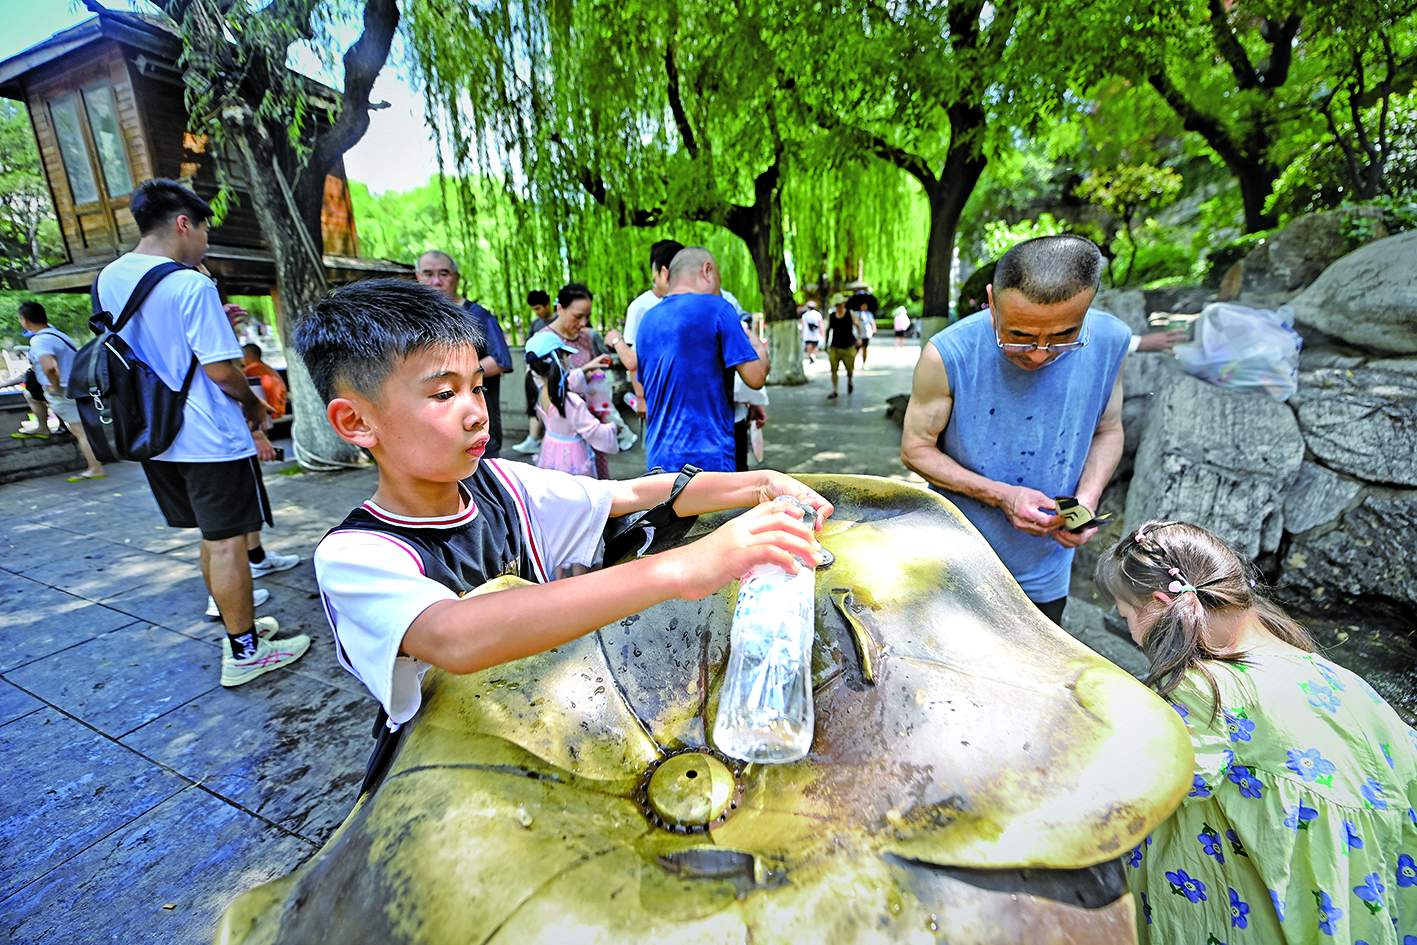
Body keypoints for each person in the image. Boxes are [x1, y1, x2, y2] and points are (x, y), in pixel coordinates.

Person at [296, 278, 831, 733]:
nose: (476, 413)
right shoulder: (356, 554)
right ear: (356, 422)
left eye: (477, 389)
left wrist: (760, 481)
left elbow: (627, 495)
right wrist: (686, 567)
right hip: (449, 766)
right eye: (443, 395)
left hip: (549, 723)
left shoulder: (501, 483)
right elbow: (452, 635)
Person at [1096, 520, 1417, 945]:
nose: (1133, 634)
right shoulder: (1331, 675)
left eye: (1125, 617)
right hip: (1362, 890)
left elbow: (1149, 786)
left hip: (1277, 902)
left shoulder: (1203, 688)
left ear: (1158, 603)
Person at [95, 178, 309, 685]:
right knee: (228, 542)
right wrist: (257, 407)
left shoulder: (109, 278)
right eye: (204, 233)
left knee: (211, 538)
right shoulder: (190, 284)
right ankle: (245, 651)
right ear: (183, 223)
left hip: (154, 434)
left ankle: (242, 628)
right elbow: (221, 371)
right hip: (208, 435)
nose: (205, 244)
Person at [900, 234, 1129, 626]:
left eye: (1062, 337)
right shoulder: (948, 353)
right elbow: (915, 449)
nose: (1039, 353)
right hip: (958, 559)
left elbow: (1109, 430)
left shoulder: (1111, 340)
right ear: (991, 301)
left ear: (1088, 307)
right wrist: (1001, 496)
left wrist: (1086, 502)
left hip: (1046, 572)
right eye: (1019, 336)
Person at [636, 247, 769, 472]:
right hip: (709, 459)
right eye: (719, 278)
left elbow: (645, 384)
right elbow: (756, 377)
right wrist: (755, 342)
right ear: (707, 271)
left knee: (668, 509)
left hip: (659, 458)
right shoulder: (719, 309)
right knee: (717, 510)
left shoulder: (647, 319)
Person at [416, 251, 513, 458]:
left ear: (456, 278)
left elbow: (500, 360)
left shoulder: (478, 315)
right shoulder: (415, 320)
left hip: (475, 422)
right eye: (428, 274)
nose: (436, 281)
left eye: (444, 274)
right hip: (434, 428)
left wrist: (448, 377)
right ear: (418, 278)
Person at [531, 283, 631, 477]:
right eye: (578, 316)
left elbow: (601, 371)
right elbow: (543, 385)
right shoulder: (542, 342)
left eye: (587, 316)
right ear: (560, 308)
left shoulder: (588, 337)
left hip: (592, 419)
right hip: (566, 425)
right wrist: (583, 373)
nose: (584, 322)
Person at [0, 302, 106, 482]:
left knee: (79, 430)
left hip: (63, 388)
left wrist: (55, 387)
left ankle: (95, 469)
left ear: (24, 320)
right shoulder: (58, 334)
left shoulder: (40, 340)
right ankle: (43, 427)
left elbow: (49, 367)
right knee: (32, 397)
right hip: (75, 385)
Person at [525, 330, 619, 477]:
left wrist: (587, 367)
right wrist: (613, 428)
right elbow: (593, 431)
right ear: (560, 361)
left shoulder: (539, 392)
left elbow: (567, 380)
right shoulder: (570, 402)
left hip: (550, 449)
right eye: (566, 355)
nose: (569, 359)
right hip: (574, 455)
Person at [513, 290, 554, 456]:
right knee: (534, 403)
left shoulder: (560, 321)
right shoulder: (536, 324)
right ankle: (533, 438)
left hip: (551, 373)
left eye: (539, 308)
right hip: (535, 371)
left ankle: (543, 439)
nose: (538, 312)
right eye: (534, 309)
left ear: (547, 305)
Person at [241, 343, 288, 421]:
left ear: (247, 356)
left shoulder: (250, 370)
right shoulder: (270, 369)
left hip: (268, 417)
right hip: (280, 413)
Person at [824, 292, 857, 399]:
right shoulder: (832, 316)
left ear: (843, 304)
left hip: (849, 346)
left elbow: (858, 325)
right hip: (835, 347)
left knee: (850, 369)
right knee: (833, 369)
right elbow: (828, 329)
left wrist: (860, 338)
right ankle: (835, 390)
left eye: (840, 304)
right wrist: (826, 344)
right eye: (837, 304)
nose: (839, 306)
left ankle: (850, 381)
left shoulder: (850, 314)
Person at [851, 293, 878, 366]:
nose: (864, 307)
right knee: (856, 349)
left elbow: (872, 322)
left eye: (865, 306)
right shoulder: (855, 313)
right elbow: (853, 321)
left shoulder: (869, 314)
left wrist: (874, 328)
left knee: (865, 348)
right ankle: (852, 363)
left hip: (866, 334)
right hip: (858, 334)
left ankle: (864, 363)